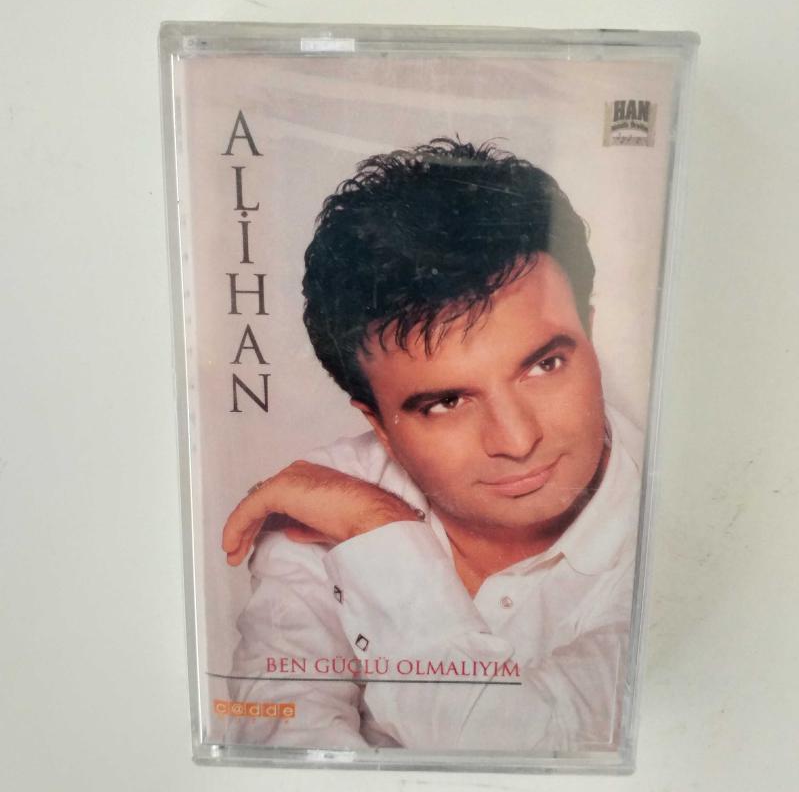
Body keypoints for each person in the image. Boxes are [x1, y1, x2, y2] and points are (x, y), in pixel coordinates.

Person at [221, 138, 642, 752]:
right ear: (379, 424)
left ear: (591, 333)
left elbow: (520, 749)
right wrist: (373, 522)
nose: (518, 440)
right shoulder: (323, 501)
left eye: (545, 364)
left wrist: (374, 528)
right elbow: (284, 755)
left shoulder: (678, 520)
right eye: (446, 402)